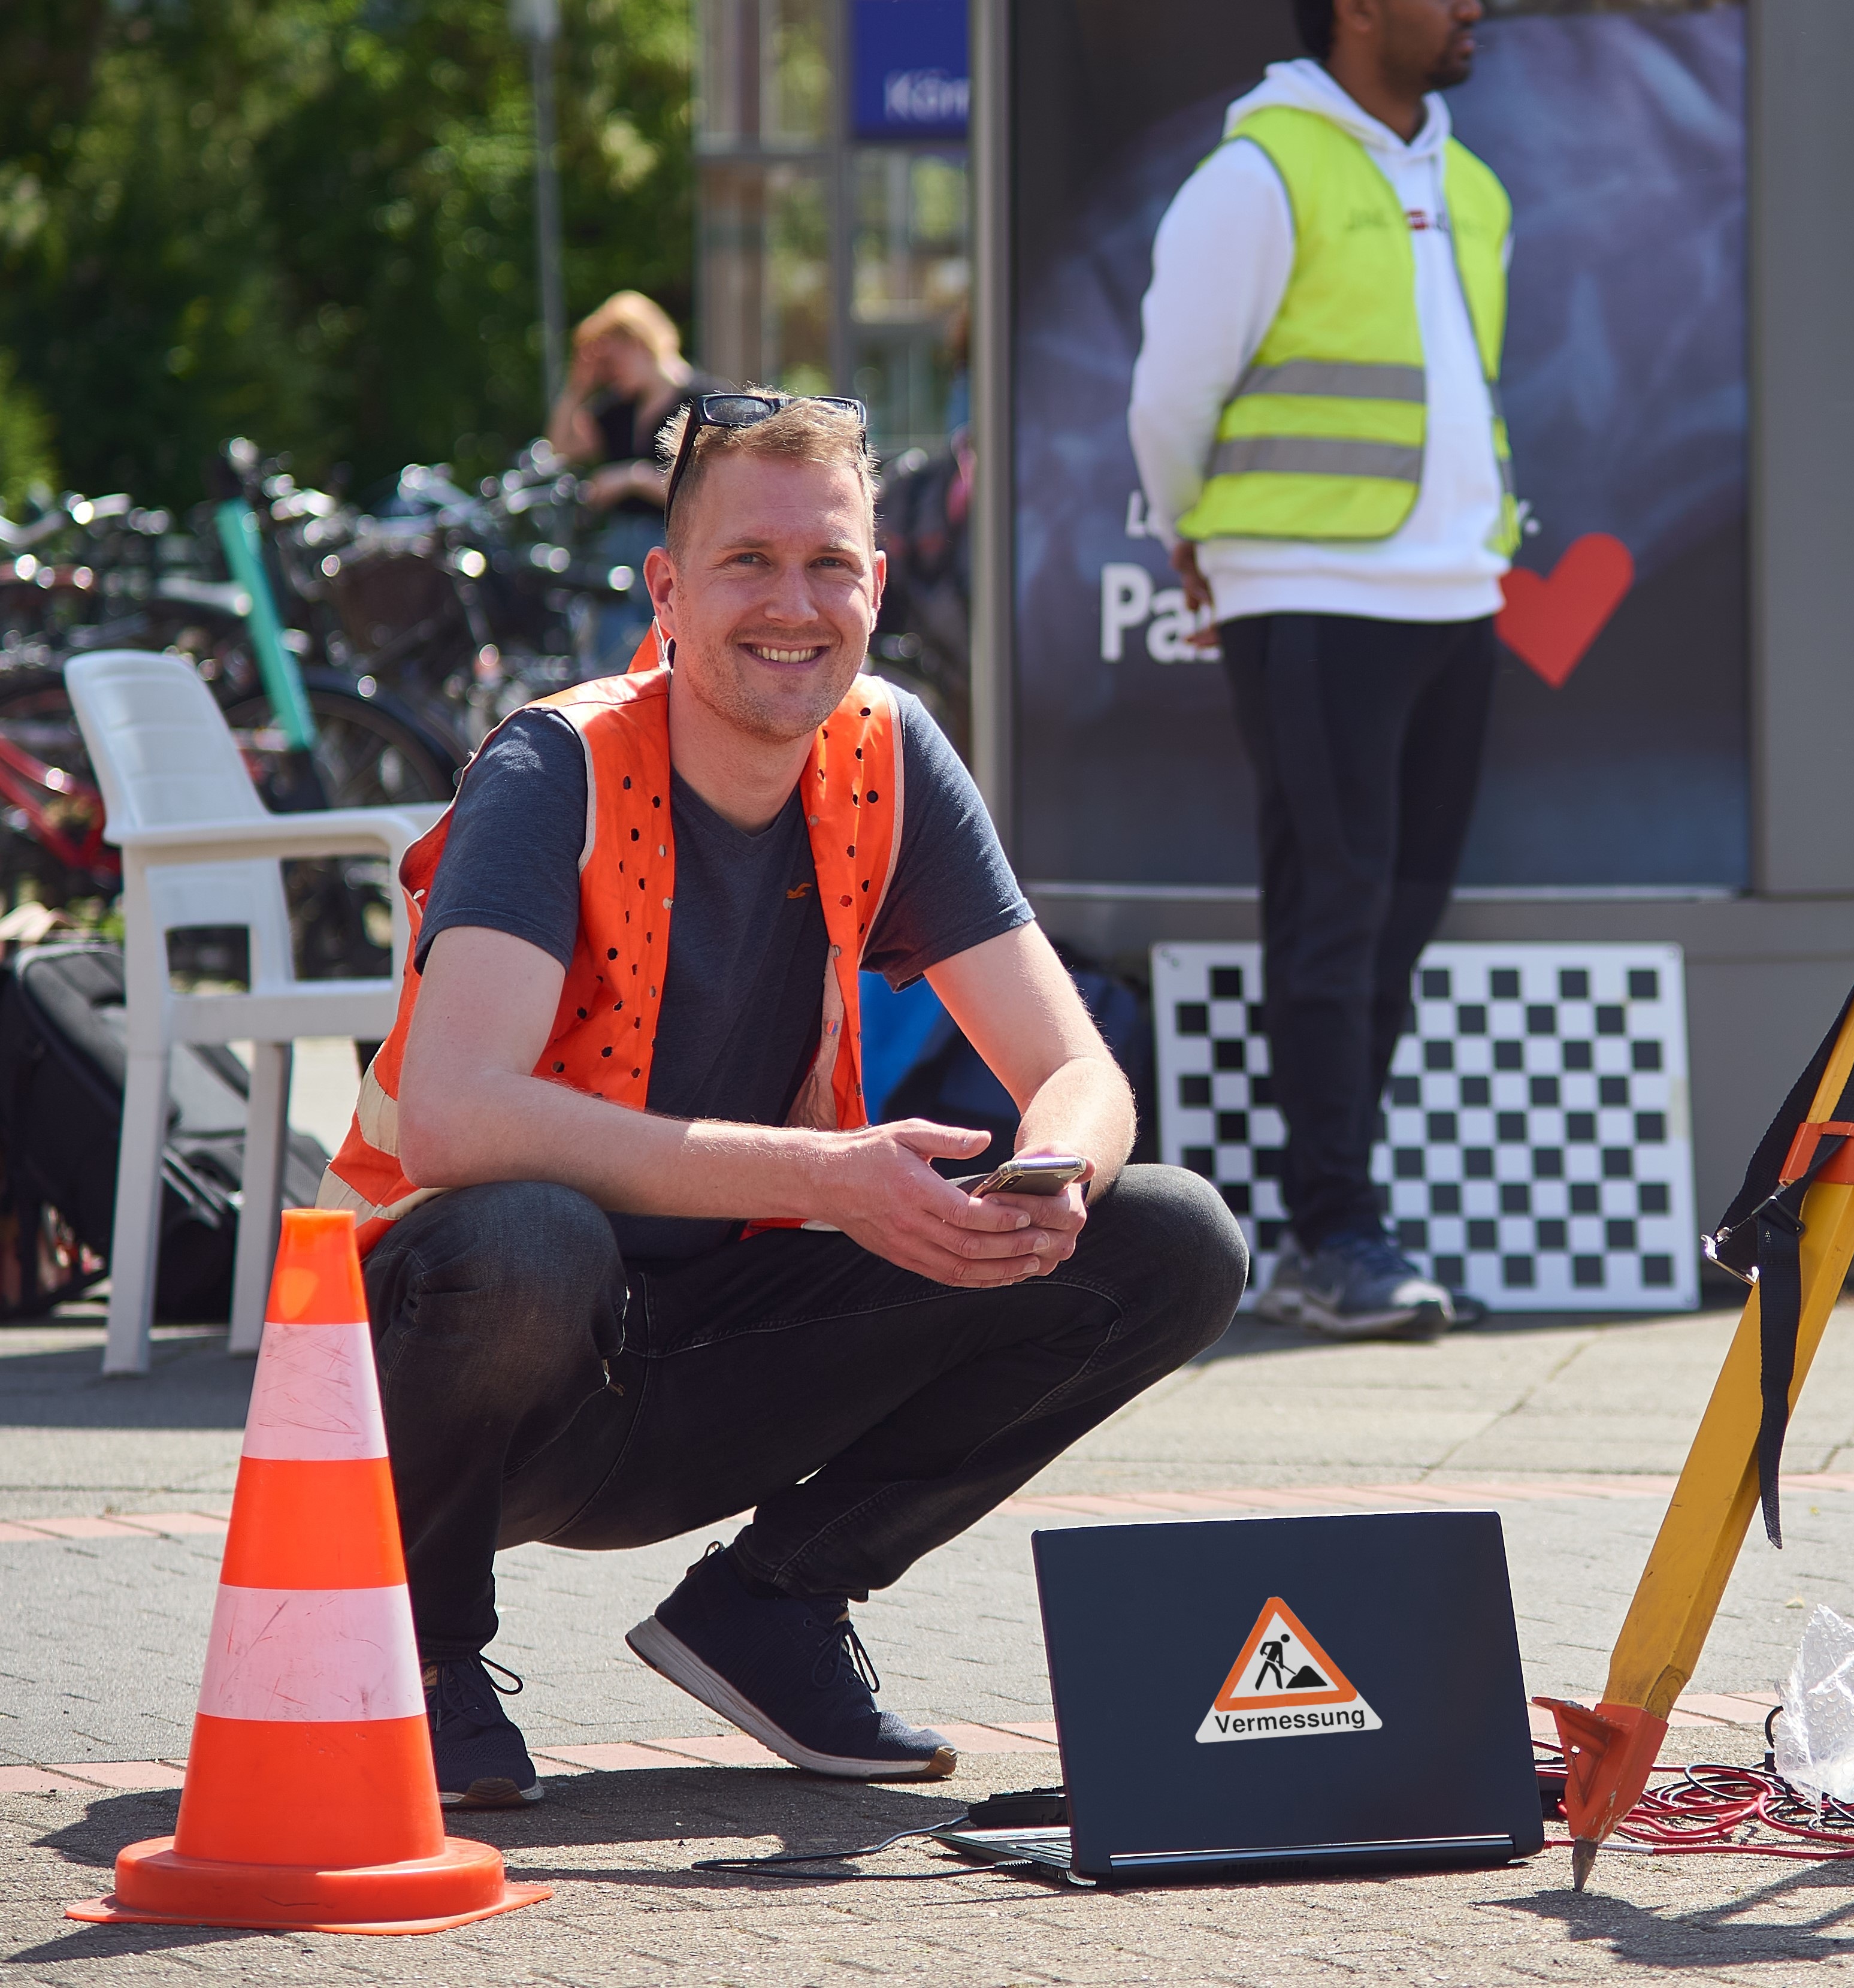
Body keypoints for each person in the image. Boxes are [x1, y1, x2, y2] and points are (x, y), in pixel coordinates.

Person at [316, 391, 1246, 1809]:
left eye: (828, 564)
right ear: (668, 591)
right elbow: (450, 1117)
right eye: (747, 562)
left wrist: (1048, 1176)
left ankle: (770, 1609)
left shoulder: (888, 750)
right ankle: (418, 1657)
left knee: (1166, 1235)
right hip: (431, 1379)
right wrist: (823, 1181)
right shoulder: (549, 767)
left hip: (696, 1363)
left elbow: (1080, 1076)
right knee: (530, 1239)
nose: (791, 604)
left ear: (876, 583)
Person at [1127, 0, 1506, 1341]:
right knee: (1336, 916)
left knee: (1393, 921)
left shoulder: (1469, 180)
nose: (1474, 6)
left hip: (1457, 596)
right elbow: (1170, 394)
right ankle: (1333, 1230)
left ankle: (1339, 1218)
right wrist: (1190, 535)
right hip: (1310, 590)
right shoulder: (1259, 173)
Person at [550, 291, 713, 670]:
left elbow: (711, 491)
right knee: (611, 666)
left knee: (678, 662)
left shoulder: (704, 401)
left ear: (639, 344)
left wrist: (635, 478)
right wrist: (577, 386)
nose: (607, 373)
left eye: (611, 360)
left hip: (680, 547)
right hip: (620, 555)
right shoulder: (617, 410)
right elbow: (561, 449)